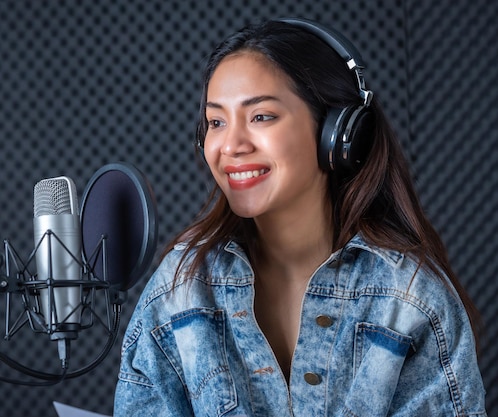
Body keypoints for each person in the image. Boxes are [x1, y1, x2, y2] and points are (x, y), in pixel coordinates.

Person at [113, 17, 487, 416]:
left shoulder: (410, 298)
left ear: (337, 133)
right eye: (216, 122)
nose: (231, 145)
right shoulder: (181, 287)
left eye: (261, 116)